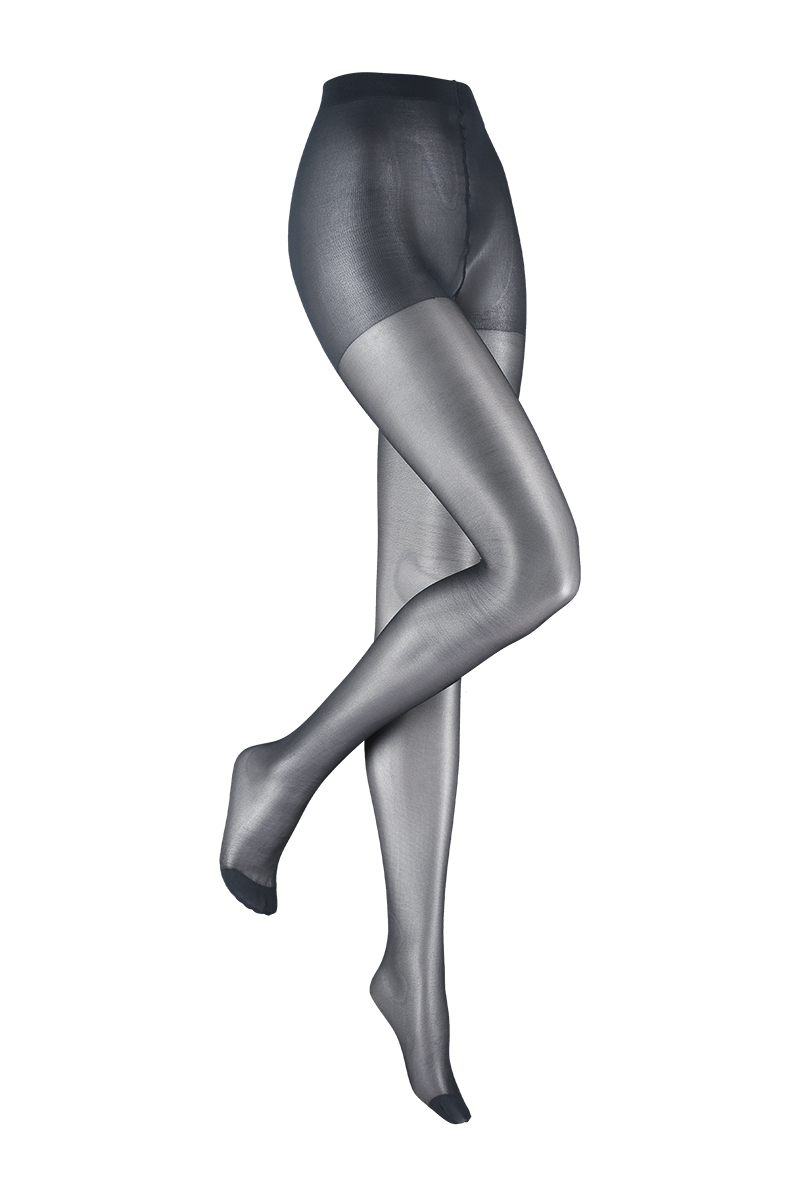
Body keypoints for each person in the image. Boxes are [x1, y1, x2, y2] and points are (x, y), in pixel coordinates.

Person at [220, 72, 581, 1124]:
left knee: (433, 601)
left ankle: (413, 977)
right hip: (360, 189)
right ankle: (281, 771)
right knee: (537, 567)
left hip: (482, 186)